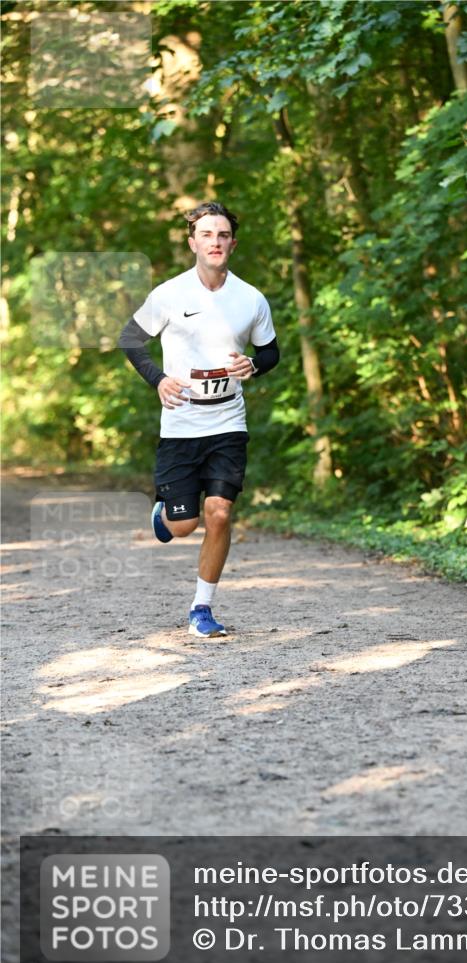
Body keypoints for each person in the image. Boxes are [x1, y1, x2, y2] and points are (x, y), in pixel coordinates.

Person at [119, 201, 280, 637]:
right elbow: (130, 339)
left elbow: (270, 351)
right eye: (207, 234)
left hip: (228, 422)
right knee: (185, 523)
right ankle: (165, 518)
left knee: (220, 513)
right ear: (193, 242)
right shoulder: (170, 294)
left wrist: (254, 365)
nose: (215, 241)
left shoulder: (251, 299)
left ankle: (201, 609)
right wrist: (158, 380)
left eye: (223, 235)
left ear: (233, 243)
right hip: (181, 425)